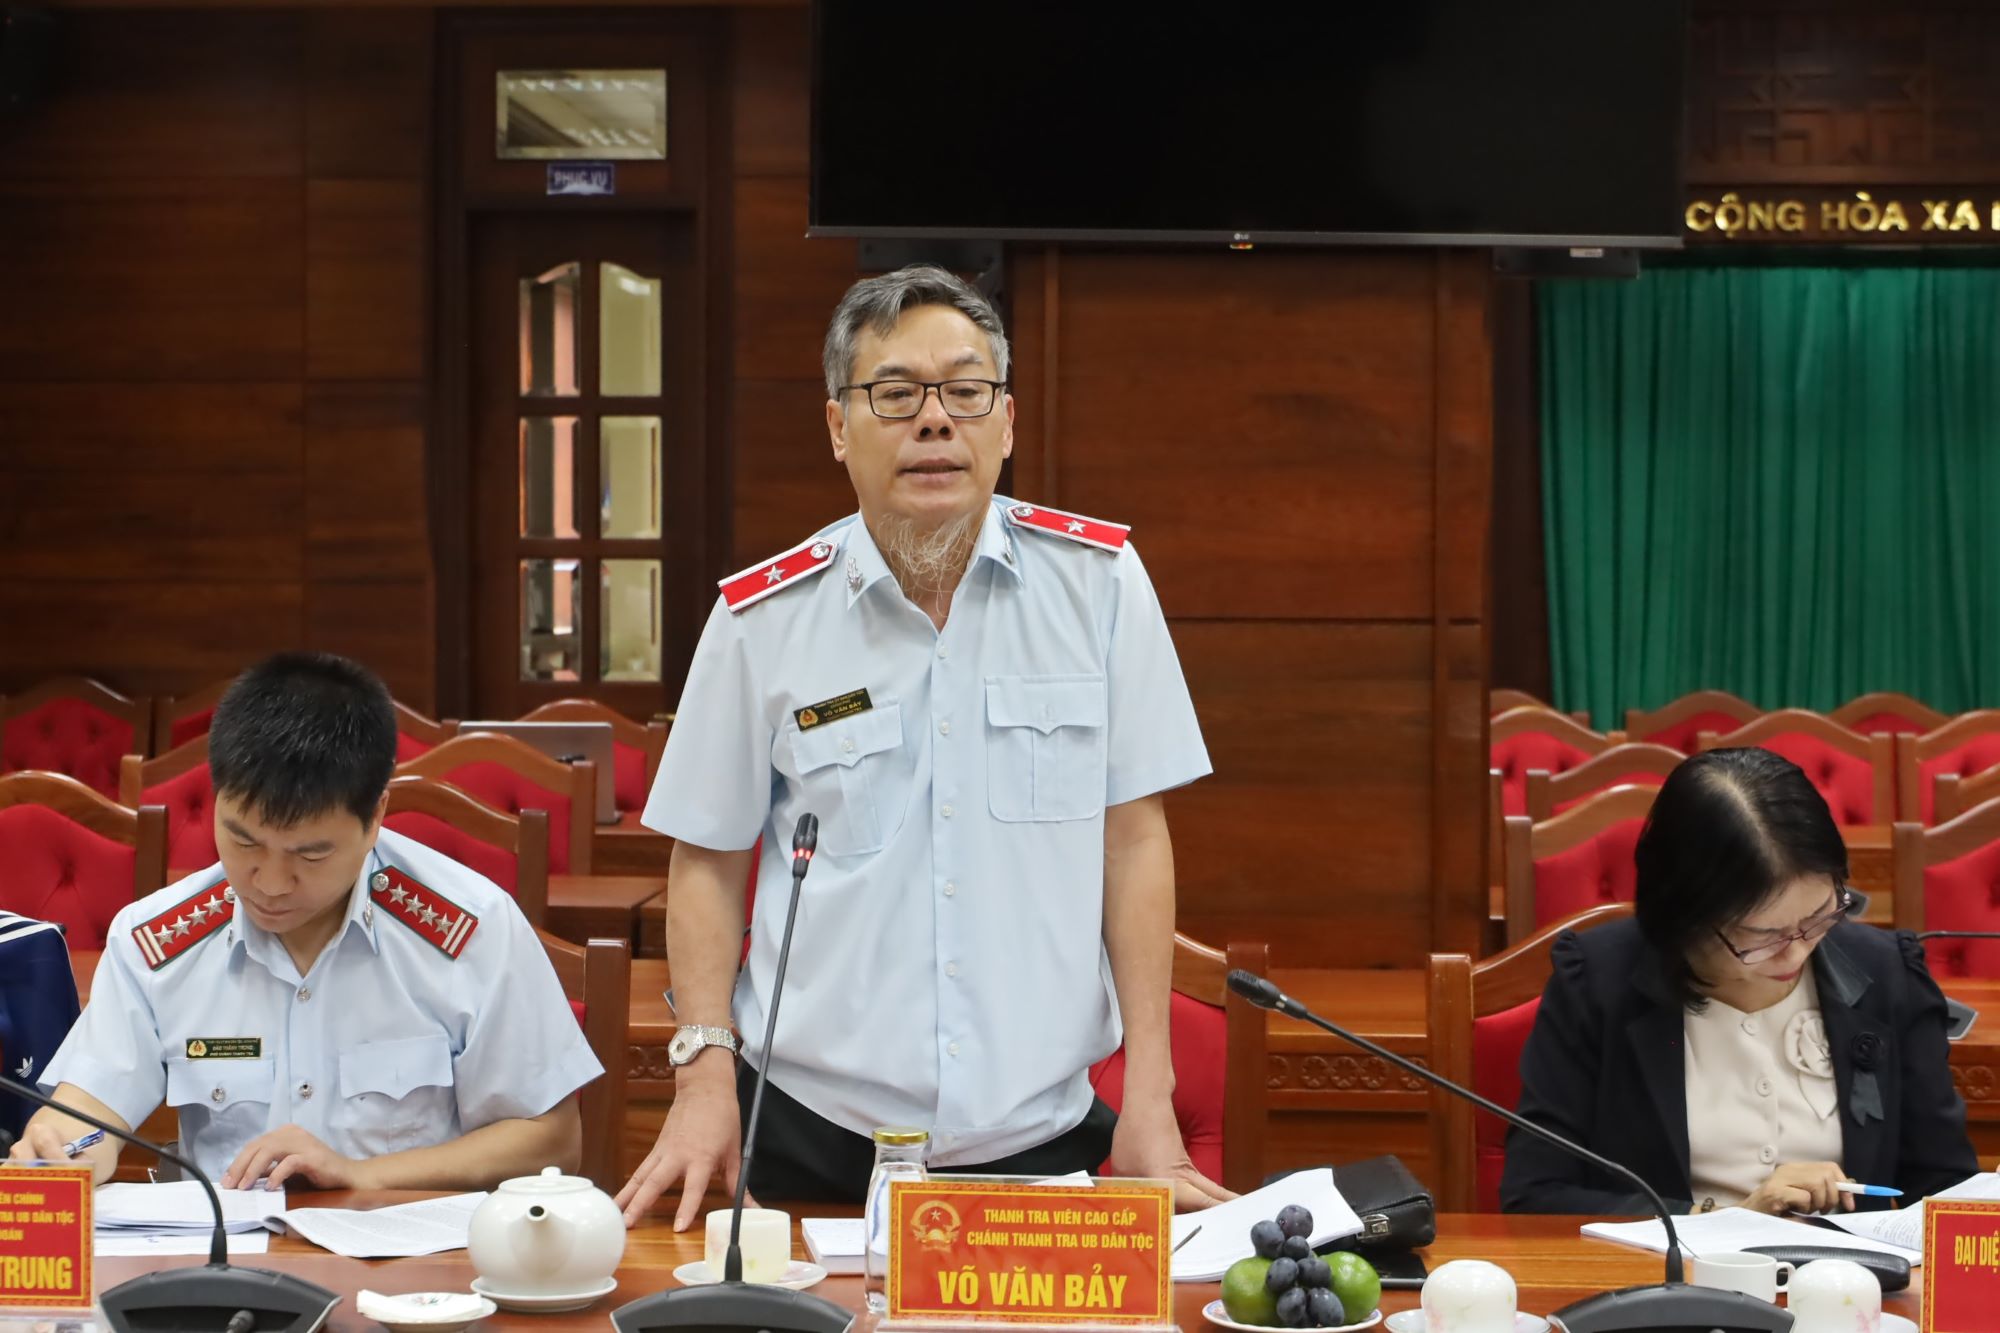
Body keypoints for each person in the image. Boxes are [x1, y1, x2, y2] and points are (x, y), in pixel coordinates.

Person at [619, 264, 1226, 1226]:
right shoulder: (761, 620)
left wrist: (1148, 1092)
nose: (935, 421)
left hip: (1038, 1135)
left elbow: (1134, 841)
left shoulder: (1100, 584)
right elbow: (706, 864)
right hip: (808, 1130)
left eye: (966, 391)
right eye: (896, 394)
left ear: (1006, 423)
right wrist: (702, 1077)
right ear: (838, 427)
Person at [8, 652, 602, 1189]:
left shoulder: (470, 929)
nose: (269, 883)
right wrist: (60, 1144)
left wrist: (359, 1175)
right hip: (223, 1260)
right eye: (243, 842)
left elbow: (550, 1139)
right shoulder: (157, 941)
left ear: (376, 816)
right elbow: (90, 1109)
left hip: (410, 1260)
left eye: (310, 855)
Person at [1501, 746, 1977, 1215]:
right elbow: (1536, 1195)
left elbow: (1944, 1185)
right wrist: (1722, 1221)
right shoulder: (1597, 983)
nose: (1798, 951)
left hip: (1854, 1266)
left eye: (1819, 916)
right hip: (1670, 1265)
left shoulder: (1887, 972)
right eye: (1764, 936)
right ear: (1684, 913)